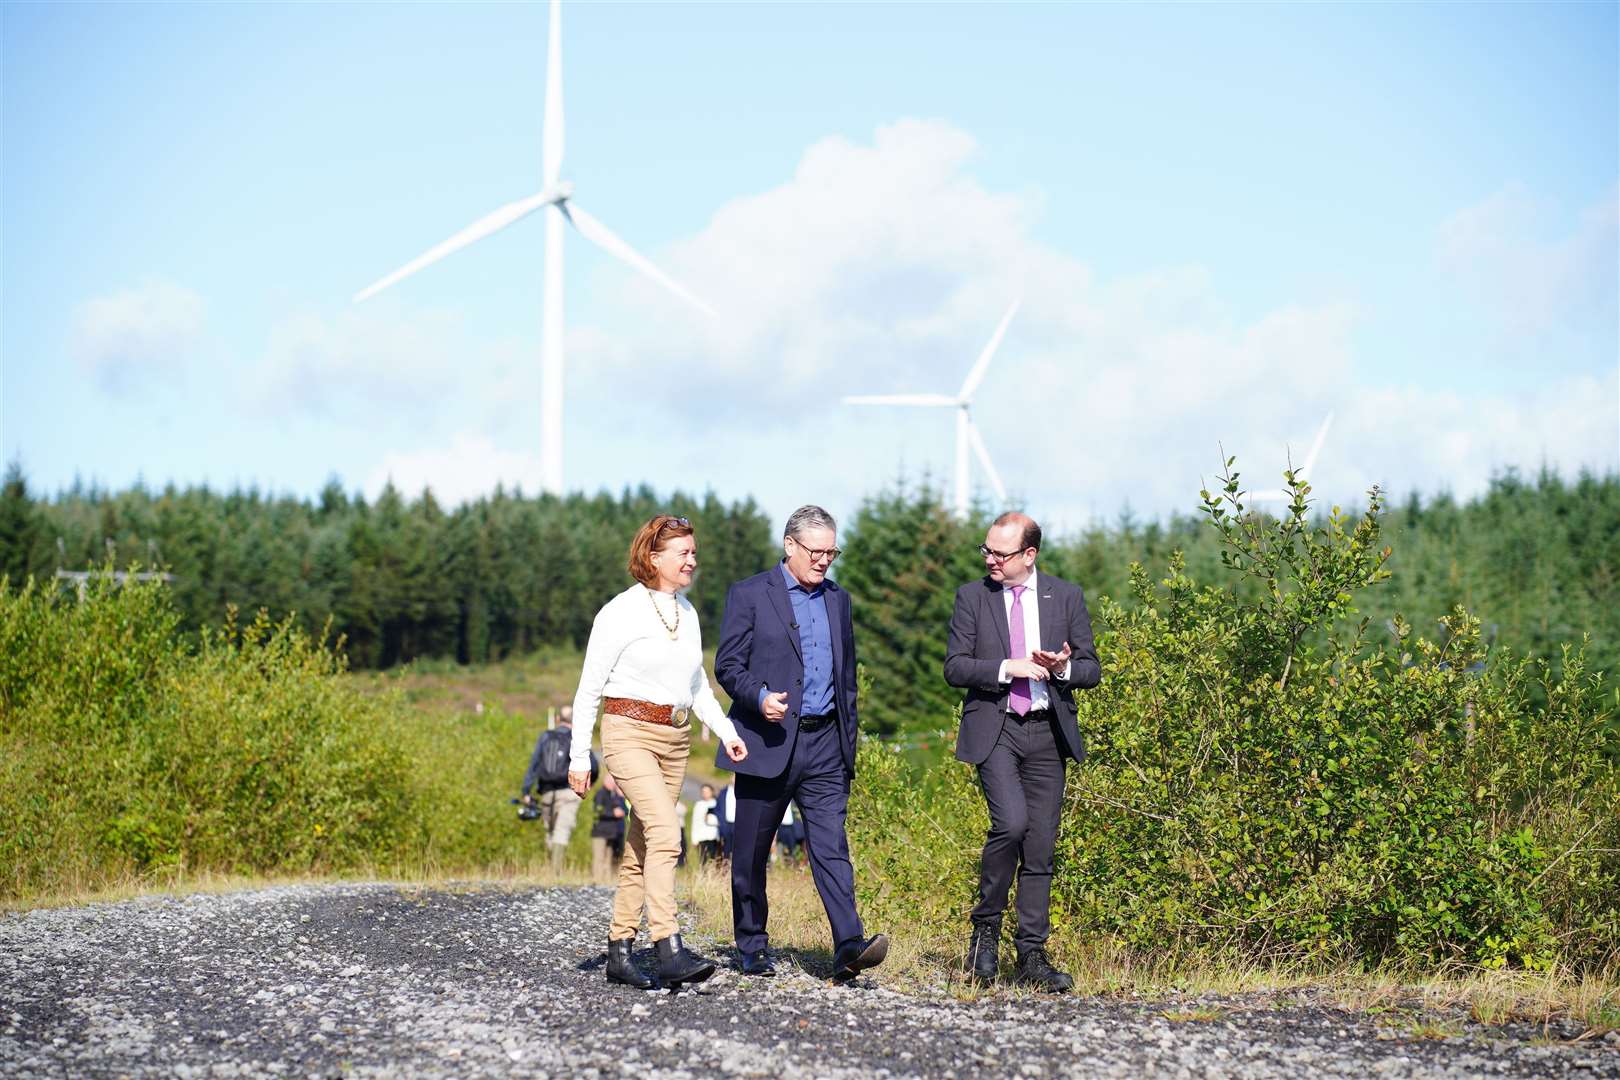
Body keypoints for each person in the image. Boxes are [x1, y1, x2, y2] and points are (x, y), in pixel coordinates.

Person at [567, 514, 750, 990]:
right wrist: (578, 755)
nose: (693, 559)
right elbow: (588, 689)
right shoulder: (618, 613)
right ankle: (668, 946)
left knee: (643, 843)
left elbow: (698, 687)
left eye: (694, 551)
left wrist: (727, 731)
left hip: (676, 740)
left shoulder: (687, 614)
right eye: (683, 552)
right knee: (668, 832)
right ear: (654, 557)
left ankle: (619, 950)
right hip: (627, 733)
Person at [714, 504, 886, 981]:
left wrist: (848, 739)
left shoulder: (839, 599)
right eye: (817, 550)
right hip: (765, 741)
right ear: (789, 545)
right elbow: (727, 666)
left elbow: (845, 676)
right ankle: (751, 944)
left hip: (826, 743)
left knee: (832, 846)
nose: (825, 560)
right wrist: (760, 697)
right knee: (750, 851)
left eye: (832, 551)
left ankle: (849, 944)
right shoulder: (749, 594)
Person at [943, 511, 1101, 993]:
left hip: (1047, 733)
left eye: (1000, 553)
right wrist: (1008, 667)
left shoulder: (1066, 597)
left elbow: (1092, 669)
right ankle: (984, 932)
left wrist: (1062, 669)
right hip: (997, 729)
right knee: (1010, 824)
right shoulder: (973, 597)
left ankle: (1031, 952)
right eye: (986, 550)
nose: (990, 559)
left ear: (1028, 555)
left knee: (1040, 845)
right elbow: (955, 667)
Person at [518, 705, 582, 870]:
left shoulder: (545, 736)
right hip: (569, 792)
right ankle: (555, 872)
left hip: (546, 792)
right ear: (574, 721)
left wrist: (526, 791)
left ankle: (551, 869)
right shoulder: (577, 737)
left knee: (550, 831)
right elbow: (593, 767)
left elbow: (534, 764)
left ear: (557, 719)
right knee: (562, 830)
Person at [591, 773, 628, 884]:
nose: (614, 783)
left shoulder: (616, 796)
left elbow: (625, 810)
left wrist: (621, 797)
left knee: (608, 858)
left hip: (612, 833)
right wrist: (613, 813)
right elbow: (597, 811)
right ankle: (597, 880)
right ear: (605, 781)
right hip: (600, 832)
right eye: (612, 781)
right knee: (599, 858)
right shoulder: (600, 794)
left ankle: (607, 881)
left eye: (614, 781)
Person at [691, 784, 721, 865]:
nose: (705, 794)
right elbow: (695, 822)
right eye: (703, 792)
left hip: (713, 836)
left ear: (712, 792)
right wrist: (694, 839)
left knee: (714, 860)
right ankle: (703, 876)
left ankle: (713, 876)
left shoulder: (717, 803)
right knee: (702, 861)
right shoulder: (699, 804)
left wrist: (710, 819)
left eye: (707, 791)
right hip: (701, 837)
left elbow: (720, 821)